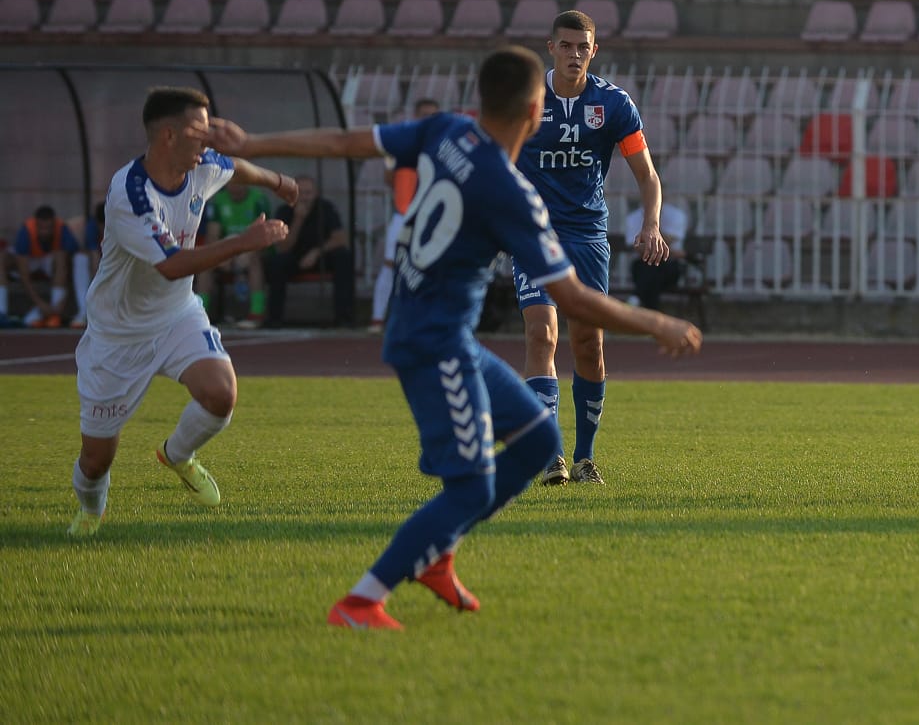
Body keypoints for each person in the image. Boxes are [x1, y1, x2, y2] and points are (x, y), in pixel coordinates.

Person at [203, 46, 702, 630]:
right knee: (471, 488)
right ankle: (361, 599)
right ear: (536, 109)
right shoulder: (510, 193)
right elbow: (570, 299)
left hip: (444, 335)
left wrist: (252, 144)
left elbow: (347, 144)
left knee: (540, 443)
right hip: (432, 344)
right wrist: (655, 322)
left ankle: (438, 555)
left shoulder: (446, 130)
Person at [67, 86, 296, 538]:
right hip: (117, 335)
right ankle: (91, 511)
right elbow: (172, 265)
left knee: (221, 394)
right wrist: (244, 243)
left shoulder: (202, 164)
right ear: (168, 135)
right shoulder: (129, 194)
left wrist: (277, 181)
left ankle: (177, 455)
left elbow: (235, 168)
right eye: (200, 131)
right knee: (96, 461)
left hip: (176, 316)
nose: (209, 141)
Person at [514, 9, 670, 486]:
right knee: (542, 336)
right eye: (566, 46)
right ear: (551, 48)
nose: (575, 54)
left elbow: (647, 175)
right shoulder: (525, 101)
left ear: (594, 51)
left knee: (589, 345)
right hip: (535, 234)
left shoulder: (613, 105)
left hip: (587, 236)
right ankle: (550, 457)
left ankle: (584, 458)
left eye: (583, 47)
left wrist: (652, 224)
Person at [370, 97, 442, 333]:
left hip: (434, 217)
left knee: (433, 269)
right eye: (424, 114)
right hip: (404, 214)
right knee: (391, 264)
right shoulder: (404, 143)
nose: (427, 119)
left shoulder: (445, 145)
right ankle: (378, 318)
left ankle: (425, 320)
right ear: (416, 116)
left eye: (432, 114)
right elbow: (389, 179)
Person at [265, 173, 355, 328]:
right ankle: (274, 318)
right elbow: (283, 247)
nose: (305, 197)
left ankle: (344, 318)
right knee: (276, 263)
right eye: (301, 192)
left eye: (309, 193)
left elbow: (340, 238)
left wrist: (316, 252)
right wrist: (298, 219)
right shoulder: (285, 210)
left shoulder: (325, 208)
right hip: (294, 257)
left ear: (316, 193)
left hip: (320, 256)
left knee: (344, 257)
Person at [196, 182, 274, 328]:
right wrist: (221, 255)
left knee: (254, 261)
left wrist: (248, 252)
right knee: (205, 265)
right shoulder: (218, 201)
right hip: (227, 248)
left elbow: (265, 234)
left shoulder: (258, 199)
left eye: (240, 181)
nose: (236, 186)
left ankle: (256, 314)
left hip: (253, 249)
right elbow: (213, 235)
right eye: (232, 182)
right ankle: (199, 315)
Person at [2, 205, 80, 328]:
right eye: (41, 228)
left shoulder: (62, 229)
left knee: (62, 256)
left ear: (54, 224)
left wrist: (63, 299)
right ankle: (2, 313)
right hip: (30, 260)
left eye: (48, 228)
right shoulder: (26, 230)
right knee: (2, 257)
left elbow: (70, 268)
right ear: (36, 224)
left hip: (50, 261)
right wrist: (40, 303)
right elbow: (24, 275)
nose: (45, 232)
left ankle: (55, 313)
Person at [624, 201, 688, 310]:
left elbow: (662, 245)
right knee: (648, 268)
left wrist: (651, 231)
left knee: (653, 270)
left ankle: (636, 298)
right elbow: (638, 247)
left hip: (669, 266)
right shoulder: (633, 218)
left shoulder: (676, 216)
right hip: (644, 264)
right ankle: (652, 313)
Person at [70, 201, 106, 329]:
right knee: (80, 258)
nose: (104, 228)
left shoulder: (124, 226)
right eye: (101, 225)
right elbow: (94, 256)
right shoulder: (92, 227)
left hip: (121, 264)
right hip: (101, 263)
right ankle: (84, 312)